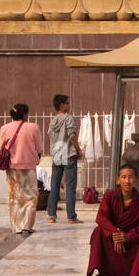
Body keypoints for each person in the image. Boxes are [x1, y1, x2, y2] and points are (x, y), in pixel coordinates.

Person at [87, 162, 139, 276]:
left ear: (135, 179)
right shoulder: (110, 196)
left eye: (130, 177)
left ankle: (132, 269)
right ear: (118, 180)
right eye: (124, 177)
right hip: (113, 239)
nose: (127, 181)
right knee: (98, 231)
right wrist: (116, 233)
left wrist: (128, 237)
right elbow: (101, 217)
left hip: (129, 243)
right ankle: (103, 268)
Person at [0, 103, 44, 236]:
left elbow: (1, 147)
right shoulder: (33, 127)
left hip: (11, 167)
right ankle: (27, 226)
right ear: (25, 114)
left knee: (14, 196)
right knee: (31, 197)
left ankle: (17, 226)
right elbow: (39, 148)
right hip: (28, 166)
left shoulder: (4, 128)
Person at [47, 93, 83, 224]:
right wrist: (79, 150)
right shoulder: (68, 118)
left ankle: (51, 215)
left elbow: (51, 136)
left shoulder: (53, 121)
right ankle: (71, 217)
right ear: (62, 105)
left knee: (54, 185)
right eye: (67, 103)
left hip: (57, 154)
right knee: (70, 186)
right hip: (68, 154)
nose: (69, 105)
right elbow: (72, 136)